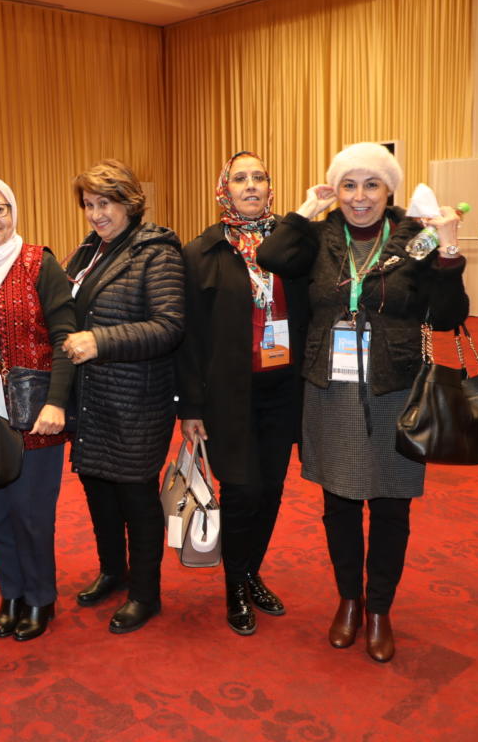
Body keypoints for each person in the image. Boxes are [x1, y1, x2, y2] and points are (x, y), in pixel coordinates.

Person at [257, 142, 468, 663]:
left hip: (394, 387)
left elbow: (447, 317)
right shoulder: (319, 236)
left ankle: (379, 609)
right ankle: (349, 600)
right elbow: (271, 257)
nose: (359, 197)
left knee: (391, 505)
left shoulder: (415, 239)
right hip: (329, 388)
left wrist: (447, 250)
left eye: (371, 185)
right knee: (340, 504)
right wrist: (306, 209)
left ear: (388, 190)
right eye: (348, 185)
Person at [177, 151, 308, 636]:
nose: (250, 185)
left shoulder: (295, 247)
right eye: (239, 178)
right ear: (224, 189)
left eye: (259, 177)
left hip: (284, 387)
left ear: (270, 186)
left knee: (271, 488)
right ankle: (234, 584)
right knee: (241, 488)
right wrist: (190, 407)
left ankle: (252, 572)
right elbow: (189, 339)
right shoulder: (201, 252)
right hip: (228, 394)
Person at [62, 159, 184, 634]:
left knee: (136, 499)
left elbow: (169, 326)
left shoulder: (156, 252)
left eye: (105, 203)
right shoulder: (89, 251)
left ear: (130, 202)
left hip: (137, 400)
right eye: (89, 204)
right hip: (92, 397)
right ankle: (113, 571)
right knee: (99, 492)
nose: (96, 214)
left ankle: (145, 593)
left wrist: (101, 341)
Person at [0, 176, 76, 642]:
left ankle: (40, 596)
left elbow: (66, 338)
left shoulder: (39, 263)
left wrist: (57, 402)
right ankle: (11, 592)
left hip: (36, 410)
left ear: (13, 211)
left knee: (31, 512)